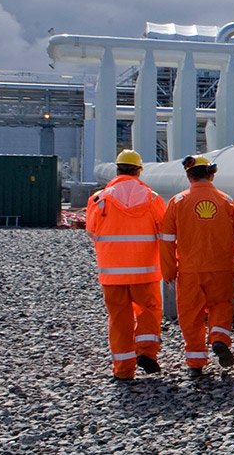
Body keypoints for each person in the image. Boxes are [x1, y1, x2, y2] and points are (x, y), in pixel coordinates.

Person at [159, 155, 234, 378]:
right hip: (220, 268)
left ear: (189, 176)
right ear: (211, 174)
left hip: (189, 270)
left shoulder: (177, 202)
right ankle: (219, 338)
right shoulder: (226, 201)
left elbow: (166, 240)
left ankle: (195, 362)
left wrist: (168, 272)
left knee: (190, 315)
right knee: (221, 305)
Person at [86, 149, 167, 380]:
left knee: (119, 319)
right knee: (149, 311)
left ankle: (123, 370)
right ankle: (146, 353)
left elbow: (92, 231)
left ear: (117, 169)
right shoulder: (151, 198)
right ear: (139, 170)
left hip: (111, 274)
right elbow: (165, 230)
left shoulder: (98, 199)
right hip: (145, 270)